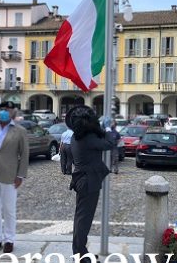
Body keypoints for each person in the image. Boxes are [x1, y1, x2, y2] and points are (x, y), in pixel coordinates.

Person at [67, 105, 114, 262]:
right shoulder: (88, 139)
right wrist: (107, 128)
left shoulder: (77, 136)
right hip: (88, 181)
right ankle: (81, 255)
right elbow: (109, 143)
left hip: (82, 180)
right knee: (84, 220)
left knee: (80, 218)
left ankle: (80, 251)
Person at [0, 101, 28, 254]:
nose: (4, 112)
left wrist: (20, 175)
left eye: (7, 110)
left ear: (13, 112)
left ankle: (9, 239)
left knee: (9, 209)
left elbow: (24, 154)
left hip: (10, 174)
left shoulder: (20, 131)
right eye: (2, 109)